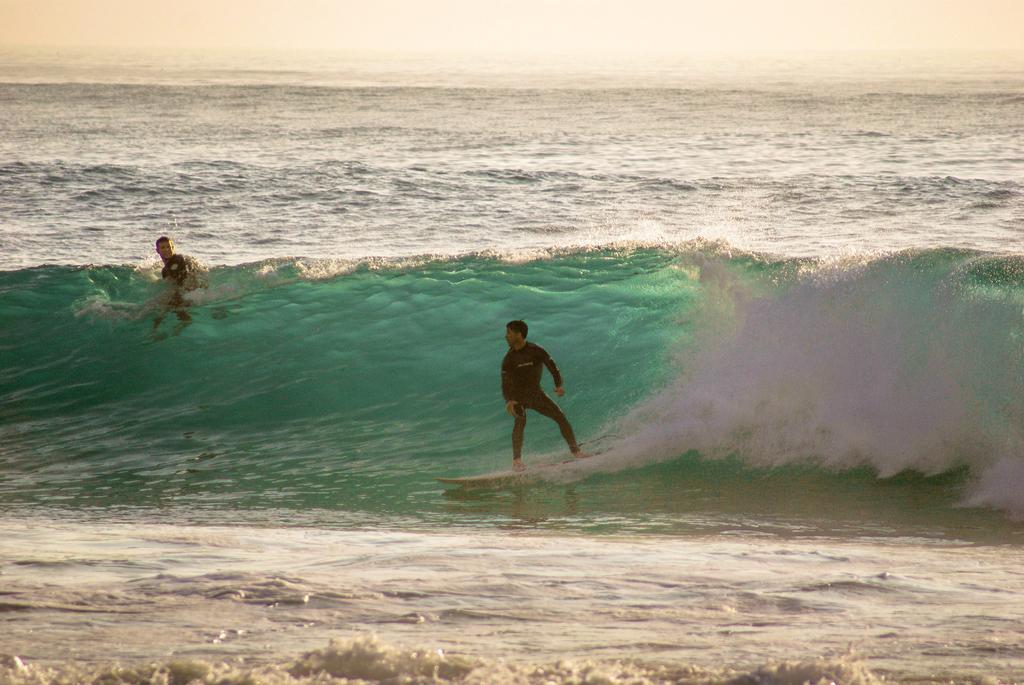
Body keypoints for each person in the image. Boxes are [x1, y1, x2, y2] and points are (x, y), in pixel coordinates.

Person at [501, 319, 586, 470]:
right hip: (518, 398)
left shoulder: (536, 350)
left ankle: (576, 451)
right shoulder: (509, 359)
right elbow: (505, 382)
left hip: (536, 395)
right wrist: (509, 400)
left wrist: (558, 385)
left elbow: (553, 368)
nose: (505, 336)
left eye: (508, 333)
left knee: (560, 417)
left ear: (518, 334)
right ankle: (517, 462)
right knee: (520, 420)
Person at [153, 236, 200, 335]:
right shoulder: (165, 270)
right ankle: (156, 330)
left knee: (168, 305)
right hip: (189, 291)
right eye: (163, 247)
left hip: (193, 290)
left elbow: (183, 280)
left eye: (169, 247)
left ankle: (156, 330)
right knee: (164, 306)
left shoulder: (177, 260)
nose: (167, 250)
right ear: (157, 250)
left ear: (173, 247)